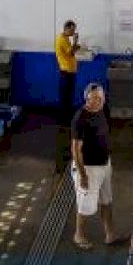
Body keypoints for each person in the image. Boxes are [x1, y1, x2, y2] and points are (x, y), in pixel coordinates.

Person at [71, 83, 121, 249]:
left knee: (107, 200)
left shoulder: (102, 110)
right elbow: (76, 149)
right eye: (95, 98)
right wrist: (82, 175)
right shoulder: (80, 118)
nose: (99, 101)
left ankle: (110, 234)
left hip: (104, 165)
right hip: (89, 168)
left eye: (101, 98)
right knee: (86, 206)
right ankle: (78, 235)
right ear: (87, 99)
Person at [55, 20, 82, 170]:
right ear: (66, 28)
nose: (73, 32)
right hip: (66, 73)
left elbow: (71, 51)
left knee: (68, 96)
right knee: (65, 97)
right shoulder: (62, 39)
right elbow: (71, 52)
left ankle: (66, 118)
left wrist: (75, 44)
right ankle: (64, 121)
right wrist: (76, 42)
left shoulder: (65, 39)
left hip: (69, 73)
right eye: (72, 30)